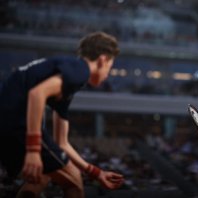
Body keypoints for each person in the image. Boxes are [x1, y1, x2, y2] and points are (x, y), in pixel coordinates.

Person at [0, 32, 124, 197]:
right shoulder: (80, 70)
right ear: (102, 60)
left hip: (6, 122)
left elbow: (62, 143)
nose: (108, 74)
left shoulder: (66, 82)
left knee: (42, 176)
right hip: (14, 120)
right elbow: (37, 94)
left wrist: (96, 173)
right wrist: (33, 150)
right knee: (74, 182)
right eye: (110, 67)